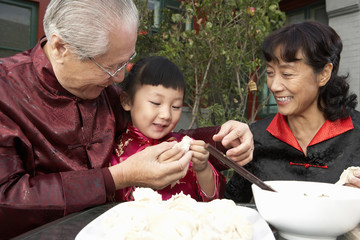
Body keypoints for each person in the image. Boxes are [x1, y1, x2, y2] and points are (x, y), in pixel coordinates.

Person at [0, 0, 254, 238]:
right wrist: (117, 177)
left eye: (126, 62)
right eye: (109, 67)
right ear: (59, 48)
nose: (120, 79)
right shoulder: (6, 92)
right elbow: (8, 199)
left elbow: (156, 134)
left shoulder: (107, 92)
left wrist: (223, 140)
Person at [225, 20, 360, 203]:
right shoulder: (256, 137)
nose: (274, 85)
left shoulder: (356, 134)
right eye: (270, 73)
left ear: (324, 74)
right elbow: (232, 205)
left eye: (287, 74)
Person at [110, 56, 225, 202]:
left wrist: (202, 168)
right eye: (156, 103)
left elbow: (213, 200)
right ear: (127, 101)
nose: (166, 115)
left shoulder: (186, 148)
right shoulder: (115, 151)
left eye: (176, 106)